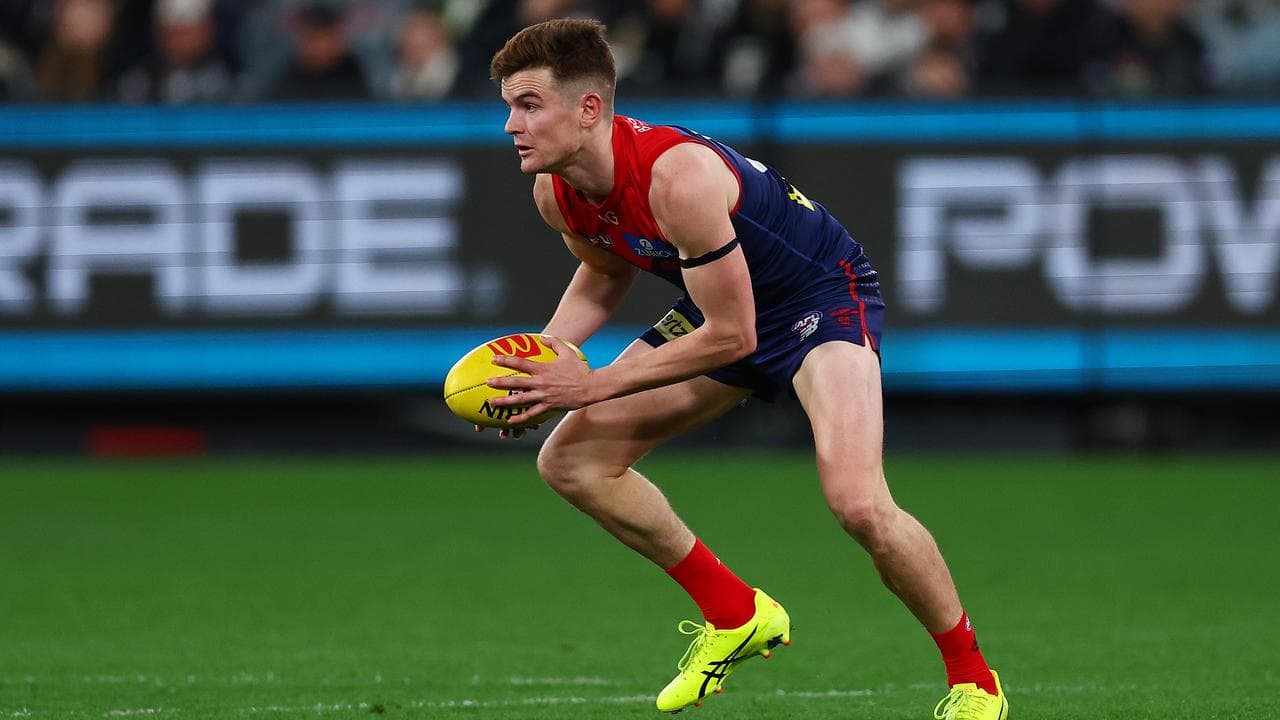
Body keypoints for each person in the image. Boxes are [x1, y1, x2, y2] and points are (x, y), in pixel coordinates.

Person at [482, 18, 1008, 719]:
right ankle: (736, 613)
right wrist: (541, 363)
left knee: (859, 504)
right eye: (510, 106)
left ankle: (975, 680)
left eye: (529, 105)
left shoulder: (677, 177)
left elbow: (734, 337)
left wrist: (589, 384)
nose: (512, 125)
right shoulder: (556, 189)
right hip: (722, 306)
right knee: (571, 462)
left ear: (587, 109)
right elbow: (605, 272)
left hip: (819, 298)